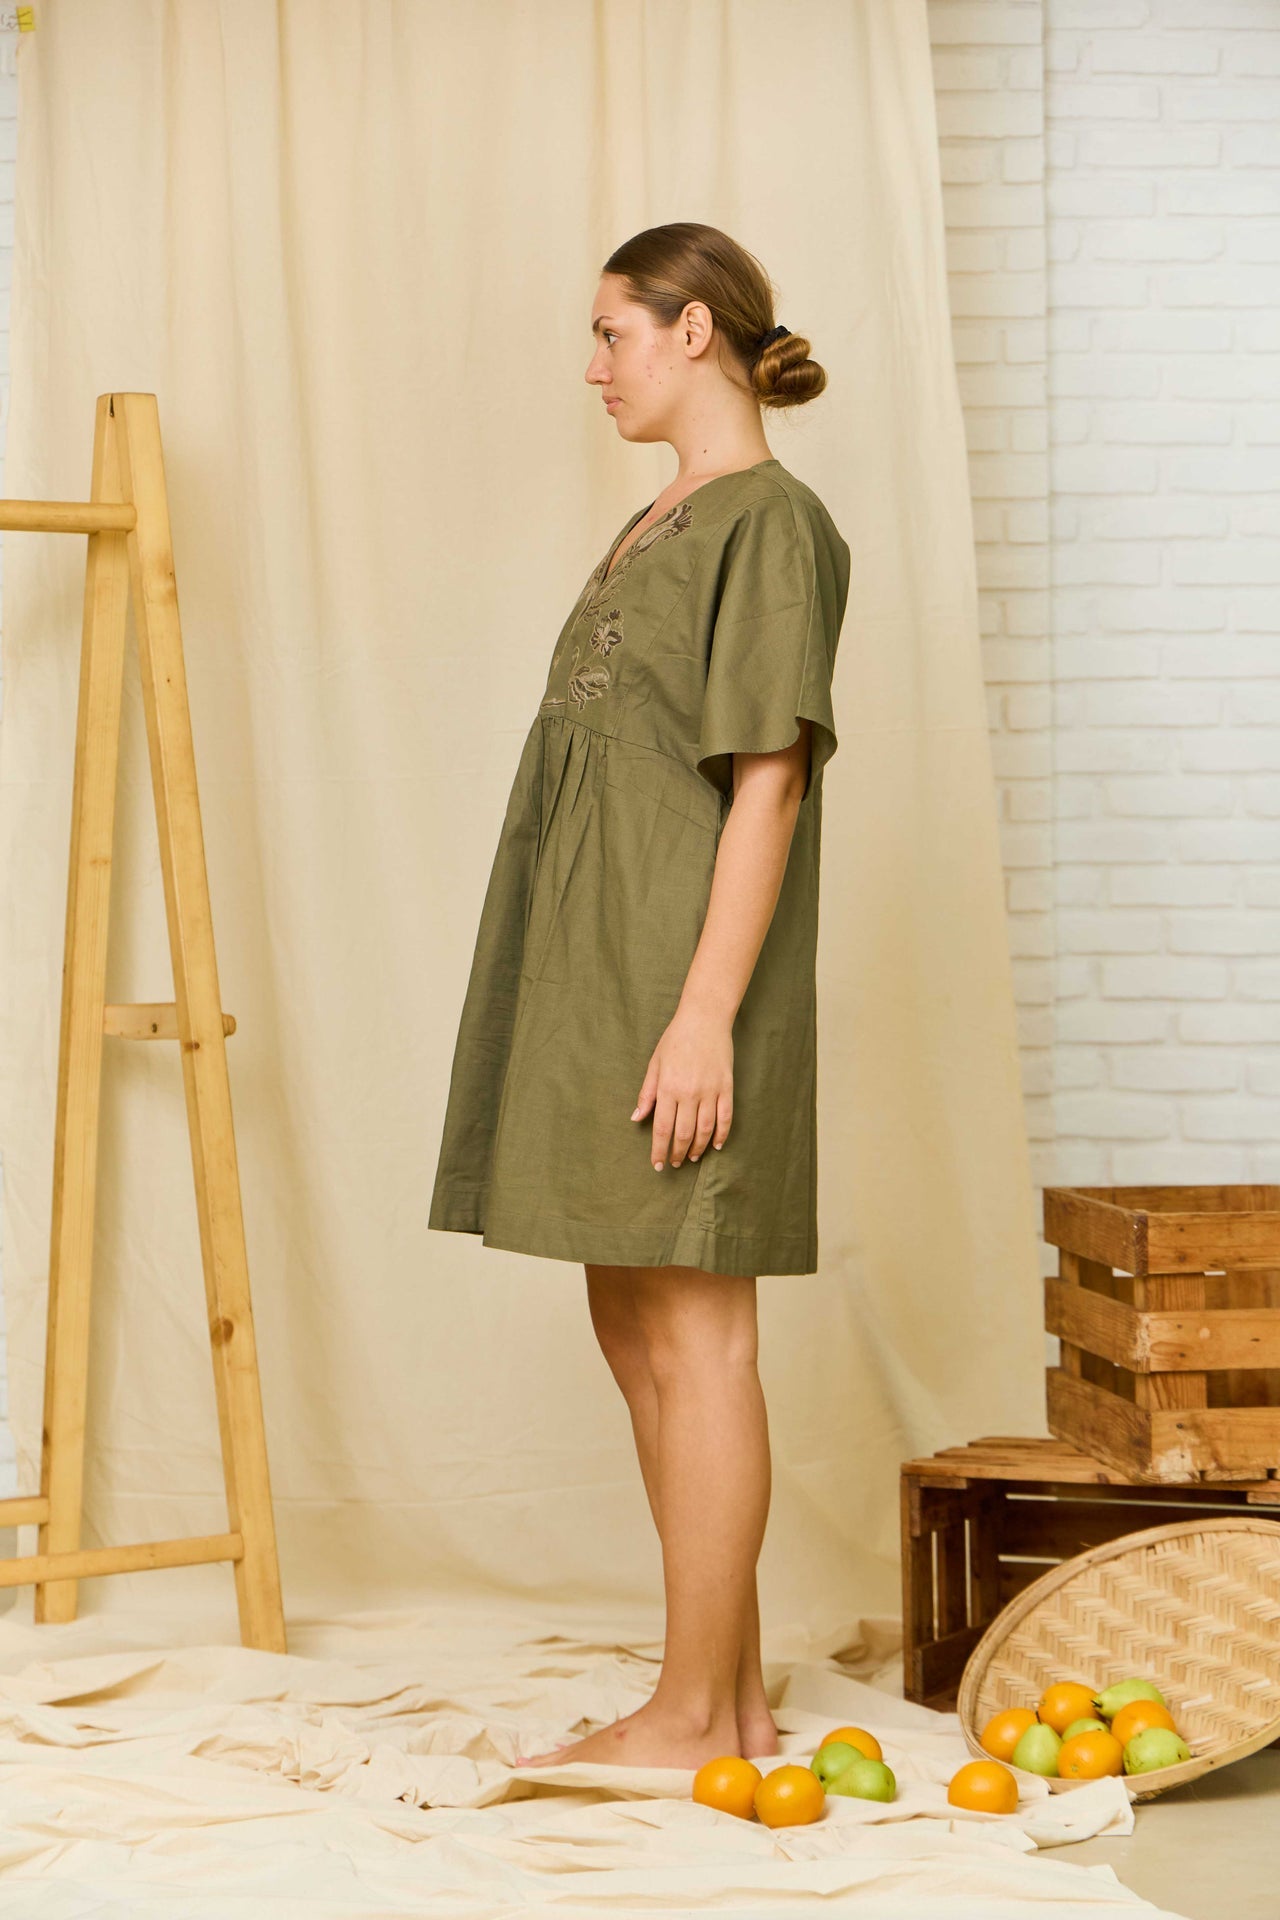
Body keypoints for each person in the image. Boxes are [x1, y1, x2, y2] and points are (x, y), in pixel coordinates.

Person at [428, 221, 851, 1769]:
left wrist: (704, 1015)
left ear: (691, 330)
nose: (595, 366)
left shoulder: (771, 523)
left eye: (612, 333)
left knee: (698, 1327)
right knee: (631, 1313)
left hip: (681, 973)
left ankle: (685, 1715)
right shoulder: (660, 516)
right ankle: (728, 1701)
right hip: (595, 961)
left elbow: (768, 787)